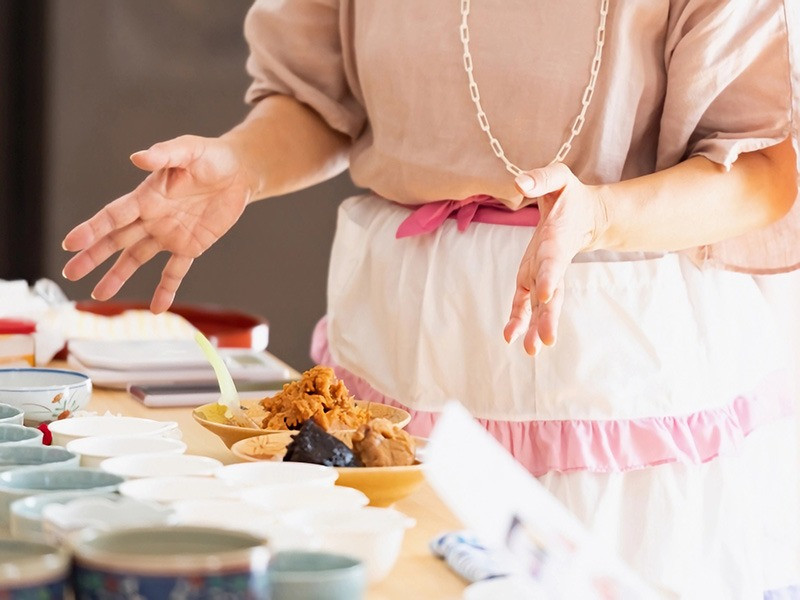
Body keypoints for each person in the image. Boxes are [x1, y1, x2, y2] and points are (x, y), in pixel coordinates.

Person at [62, 1, 800, 596]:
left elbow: (765, 169)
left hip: (617, 373)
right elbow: (320, 101)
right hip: (405, 342)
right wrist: (240, 164)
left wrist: (601, 215)